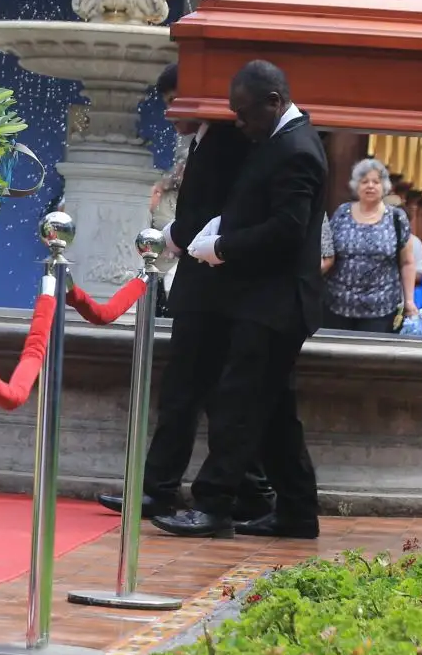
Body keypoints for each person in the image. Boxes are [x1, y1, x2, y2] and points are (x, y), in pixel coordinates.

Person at [152, 60, 327, 540]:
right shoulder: (277, 141)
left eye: (246, 113)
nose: (241, 123)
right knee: (273, 413)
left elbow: (288, 230)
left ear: (275, 101)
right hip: (267, 301)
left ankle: (213, 505)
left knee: (237, 403)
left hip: (277, 303)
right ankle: (297, 511)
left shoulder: (297, 149)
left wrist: (223, 246)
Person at [97, 64, 267, 521]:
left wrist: (170, 237)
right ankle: (167, 486)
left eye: (176, 100)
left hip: (214, 285)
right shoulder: (205, 140)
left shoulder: (226, 142)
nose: (171, 112)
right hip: (199, 284)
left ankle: (219, 489)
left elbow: (212, 212)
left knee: (196, 392)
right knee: (191, 392)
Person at [318, 159, 417, 334]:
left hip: (381, 308)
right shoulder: (342, 213)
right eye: (364, 182)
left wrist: (409, 301)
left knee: (371, 359)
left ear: (384, 186)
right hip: (337, 304)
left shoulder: (396, 218)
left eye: (375, 182)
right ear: (356, 186)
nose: (370, 186)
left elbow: (407, 262)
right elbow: (327, 253)